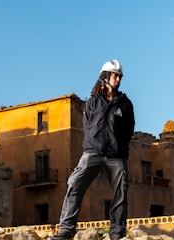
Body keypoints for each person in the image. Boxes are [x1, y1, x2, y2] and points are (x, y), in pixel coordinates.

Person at [51, 60, 135, 240]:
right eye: (115, 75)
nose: (118, 79)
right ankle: (66, 229)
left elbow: (129, 129)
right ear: (105, 76)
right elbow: (87, 126)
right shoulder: (92, 102)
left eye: (120, 76)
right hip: (93, 152)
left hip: (116, 156)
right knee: (74, 184)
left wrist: (119, 146)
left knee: (121, 191)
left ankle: (117, 233)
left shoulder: (125, 103)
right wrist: (93, 144)